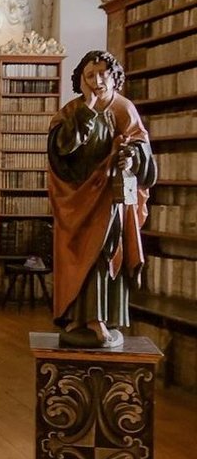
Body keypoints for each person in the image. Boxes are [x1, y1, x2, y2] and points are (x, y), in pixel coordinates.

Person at [47, 50, 156, 349]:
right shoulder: (71, 111)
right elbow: (61, 150)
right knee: (76, 254)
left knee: (103, 255)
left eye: (102, 75)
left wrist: (130, 158)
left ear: (114, 77)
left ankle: (100, 318)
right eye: (90, 76)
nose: (97, 81)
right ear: (81, 79)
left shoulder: (124, 108)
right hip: (78, 199)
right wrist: (89, 108)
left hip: (110, 200)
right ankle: (76, 315)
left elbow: (143, 152)